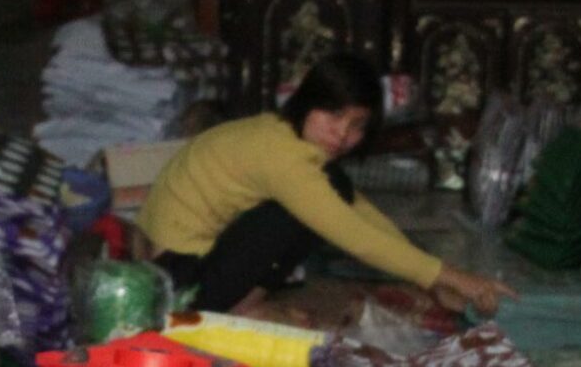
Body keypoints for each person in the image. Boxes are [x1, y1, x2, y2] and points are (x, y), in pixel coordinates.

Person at [140, 53, 517, 314]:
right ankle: (229, 307)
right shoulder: (281, 157)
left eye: (357, 125)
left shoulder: (284, 138)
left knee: (330, 187)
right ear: (307, 104)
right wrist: (457, 278)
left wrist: (435, 281)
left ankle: (241, 301)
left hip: (188, 267)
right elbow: (354, 234)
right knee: (298, 214)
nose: (342, 134)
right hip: (177, 285)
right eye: (333, 115)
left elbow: (359, 212)